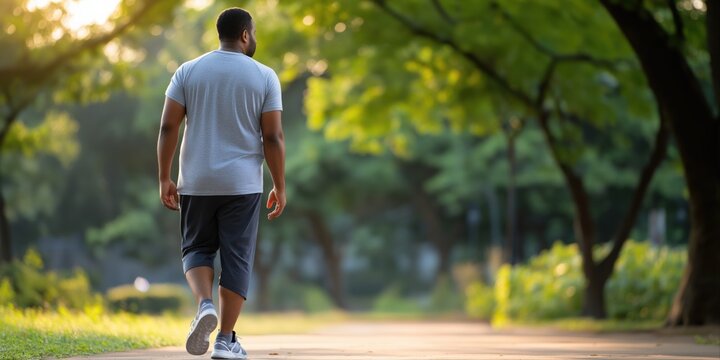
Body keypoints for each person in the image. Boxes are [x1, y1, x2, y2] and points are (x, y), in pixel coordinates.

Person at [156, 7, 285, 359]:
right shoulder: (264, 76)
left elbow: (169, 127)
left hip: (196, 181)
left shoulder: (188, 71)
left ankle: (204, 305)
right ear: (245, 34)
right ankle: (226, 340)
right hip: (242, 185)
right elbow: (272, 137)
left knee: (196, 248)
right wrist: (280, 184)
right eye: (253, 33)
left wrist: (164, 176)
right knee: (237, 259)